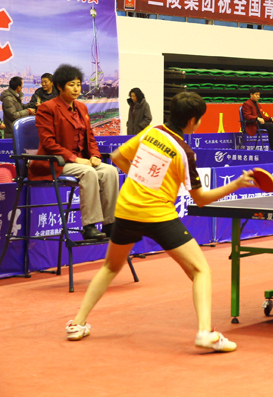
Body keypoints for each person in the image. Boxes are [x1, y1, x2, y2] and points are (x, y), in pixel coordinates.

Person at [65, 92, 254, 352]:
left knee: (110, 267)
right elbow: (200, 199)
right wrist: (236, 184)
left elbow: (118, 157)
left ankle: (77, 323)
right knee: (201, 271)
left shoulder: (151, 132)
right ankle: (205, 333)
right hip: (158, 216)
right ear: (192, 121)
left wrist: (141, 179)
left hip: (127, 210)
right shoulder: (184, 152)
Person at [30, 64, 117, 240]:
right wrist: (74, 159)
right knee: (88, 172)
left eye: (78, 84)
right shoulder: (47, 108)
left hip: (80, 161)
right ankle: (89, 226)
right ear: (59, 86)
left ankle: (110, 224)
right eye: (71, 84)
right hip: (55, 162)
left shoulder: (82, 108)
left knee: (110, 171)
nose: (76, 88)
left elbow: (90, 137)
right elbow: (48, 143)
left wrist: (95, 155)